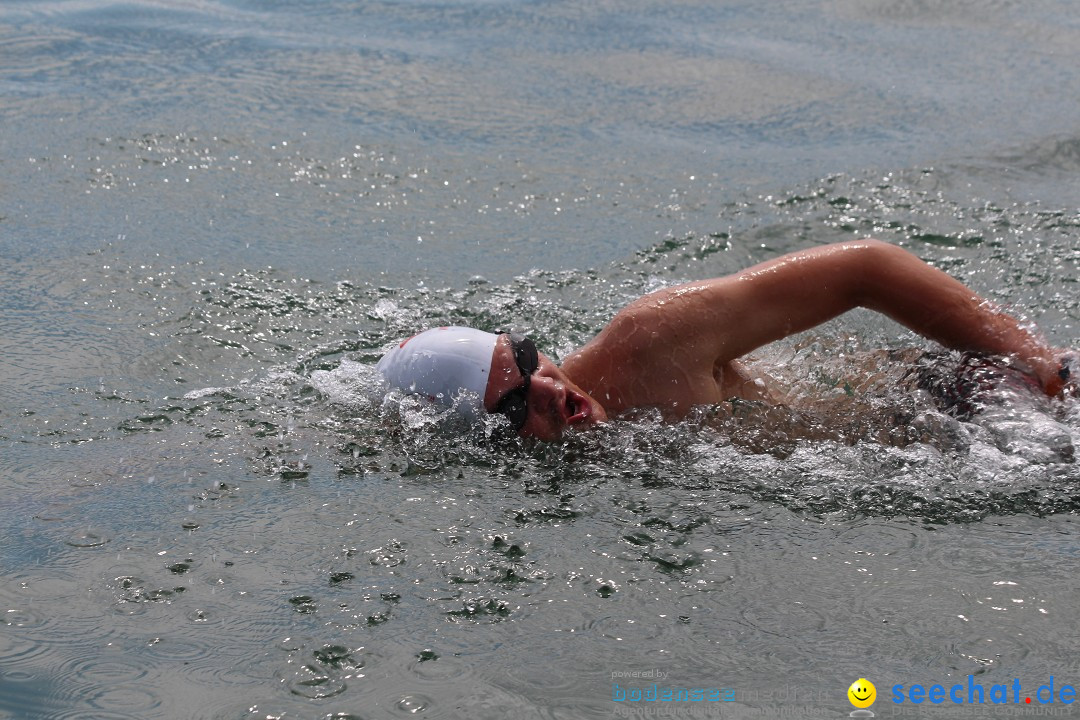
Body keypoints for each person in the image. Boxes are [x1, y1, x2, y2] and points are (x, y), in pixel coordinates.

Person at [376, 239, 1073, 441]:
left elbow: (866, 269)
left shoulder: (653, 341)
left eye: (530, 360)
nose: (554, 391)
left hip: (962, 402)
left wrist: (1037, 366)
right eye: (514, 403)